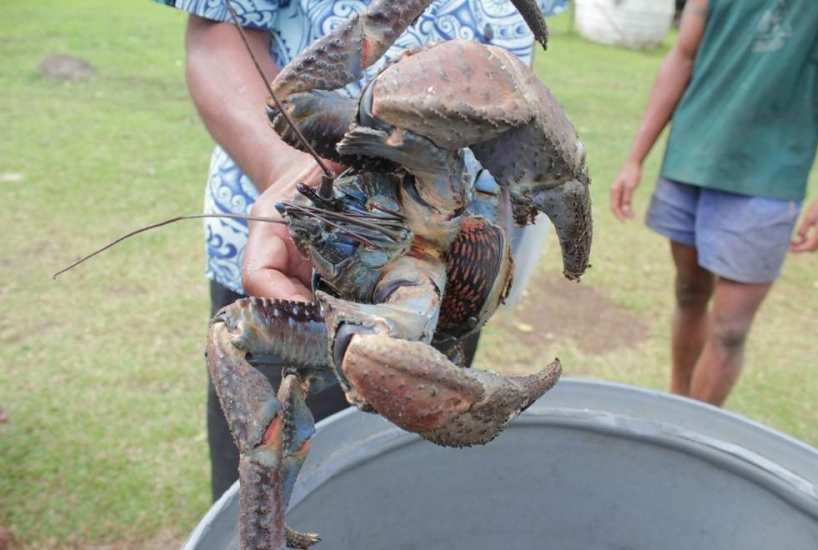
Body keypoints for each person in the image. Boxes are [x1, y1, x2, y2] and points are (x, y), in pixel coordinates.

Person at [152, 0, 569, 502]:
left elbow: (501, 79)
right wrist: (286, 168)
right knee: (238, 344)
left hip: (462, 251)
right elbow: (217, 34)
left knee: (409, 489)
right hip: (323, 284)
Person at [610, 0, 818, 407]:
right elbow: (683, 55)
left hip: (770, 174)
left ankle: (700, 435)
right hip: (693, 157)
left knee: (730, 328)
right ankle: (678, 407)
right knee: (689, 292)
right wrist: (635, 158)